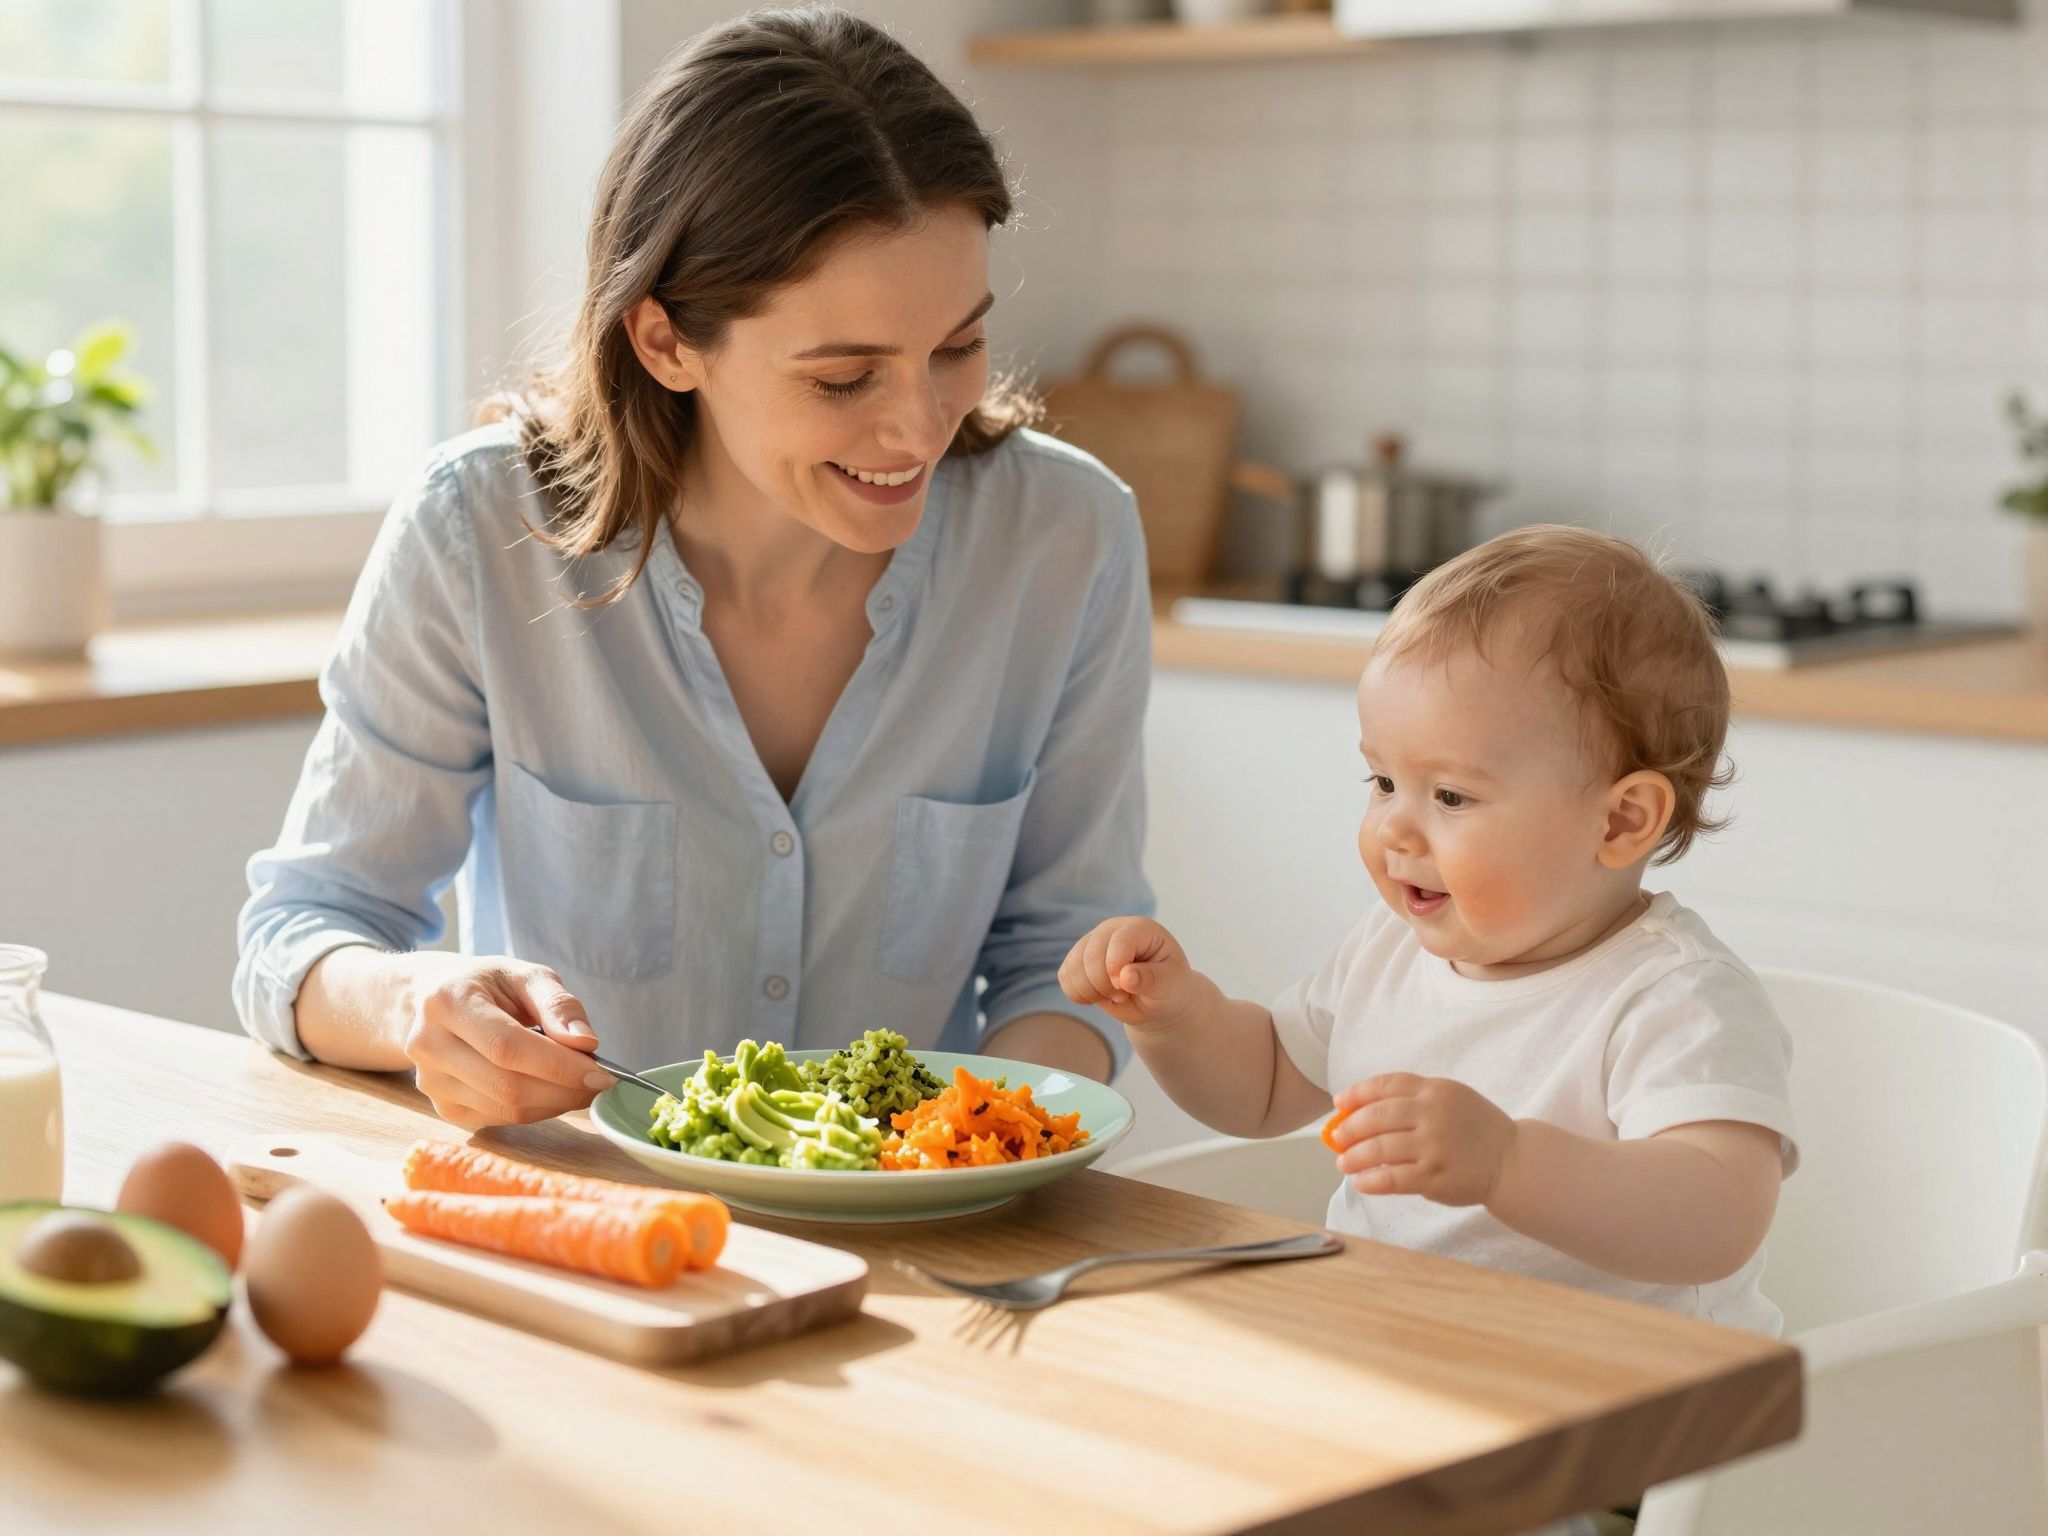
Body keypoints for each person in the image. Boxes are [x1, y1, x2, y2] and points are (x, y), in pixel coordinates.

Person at [235, 8, 1151, 1130]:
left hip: (931, 1240)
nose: (917, 427)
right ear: (665, 340)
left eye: (955, 348)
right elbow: (306, 929)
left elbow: (1063, 949)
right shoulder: (474, 530)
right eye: (842, 377)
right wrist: (418, 1002)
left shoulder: (1065, 539)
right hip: (588, 1238)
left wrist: (985, 1140)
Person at [1062, 525, 1798, 1336]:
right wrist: (1179, 1016)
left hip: (1630, 1405)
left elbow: (1717, 1215)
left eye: (1449, 796)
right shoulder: (1390, 949)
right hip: (1408, 1357)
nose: (1395, 832)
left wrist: (1507, 1162)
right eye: (1382, 782)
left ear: (1621, 820)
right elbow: (1267, 1086)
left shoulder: (1673, 997)